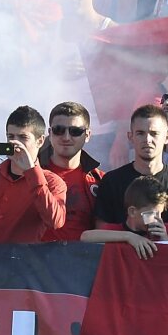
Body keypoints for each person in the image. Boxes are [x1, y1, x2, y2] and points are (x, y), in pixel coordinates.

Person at [0, 106, 67, 244]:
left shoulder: (53, 182)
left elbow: (56, 221)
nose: (15, 143)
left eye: (23, 137)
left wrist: (31, 171)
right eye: (10, 137)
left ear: (40, 141)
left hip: (22, 263)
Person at [94, 105, 168, 231]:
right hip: (121, 250)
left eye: (154, 134)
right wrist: (130, 238)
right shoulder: (111, 181)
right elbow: (100, 234)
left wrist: (166, 241)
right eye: (140, 133)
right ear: (130, 137)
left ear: (167, 137)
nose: (147, 140)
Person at [38, 101, 104, 241]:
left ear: (87, 135)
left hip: (84, 260)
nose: (66, 137)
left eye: (75, 131)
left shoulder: (101, 181)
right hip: (34, 260)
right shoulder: (30, 174)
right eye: (59, 130)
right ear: (49, 133)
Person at [80, 175, 168, 259]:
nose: (158, 219)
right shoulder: (115, 231)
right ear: (132, 211)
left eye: (160, 213)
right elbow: (85, 237)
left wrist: (166, 240)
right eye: (151, 214)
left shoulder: (167, 230)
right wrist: (129, 237)